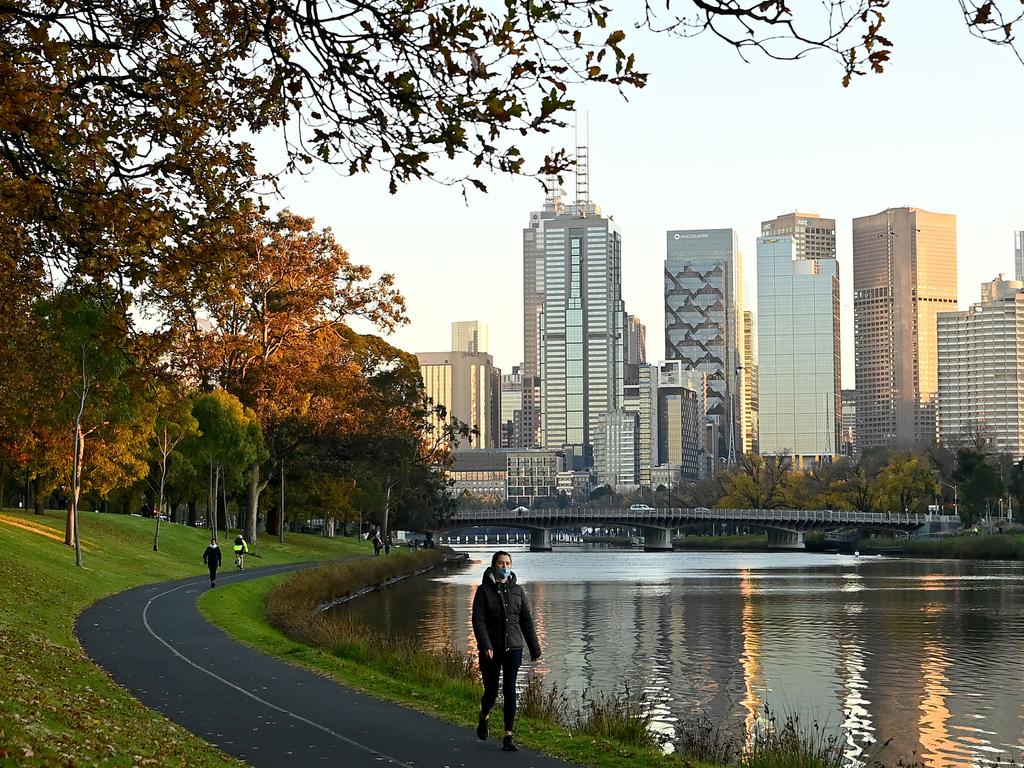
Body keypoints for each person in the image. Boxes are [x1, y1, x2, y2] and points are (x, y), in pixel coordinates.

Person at [471, 550, 541, 752]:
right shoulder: (483, 591)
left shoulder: (518, 591)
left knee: (510, 689)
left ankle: (508, 736)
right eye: (501, 563)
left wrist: (534, 649)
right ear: (494, 566)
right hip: (492, 649)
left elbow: (526, 621)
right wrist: (485, 645)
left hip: (514, 648)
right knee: (491, 691)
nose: (504, 566)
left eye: (507, 563)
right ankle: (484, 716)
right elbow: (478, 621)